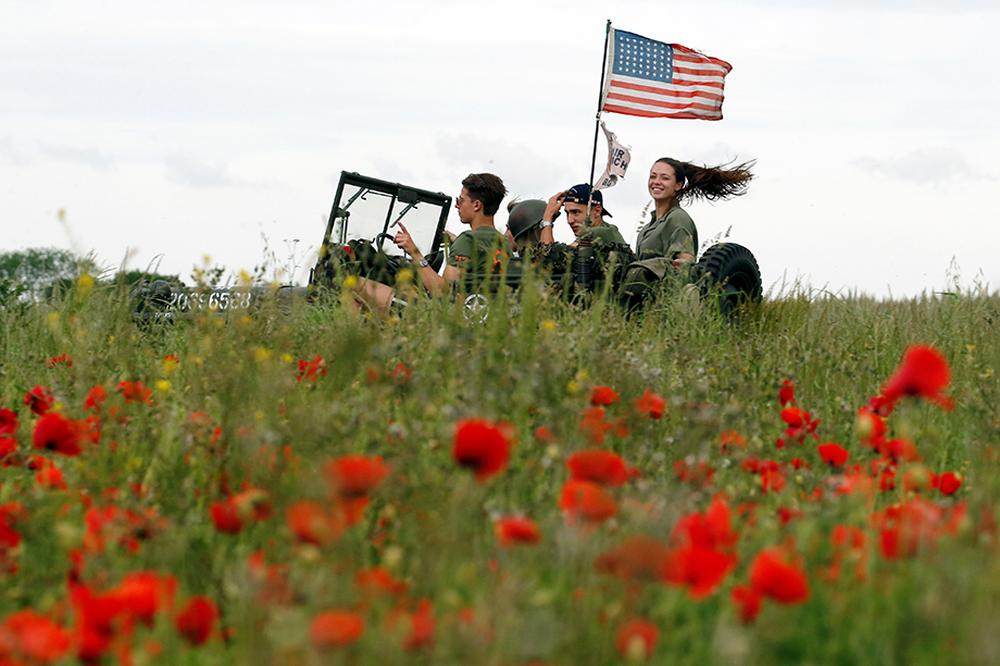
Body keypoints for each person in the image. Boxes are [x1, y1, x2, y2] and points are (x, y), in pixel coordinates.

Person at [352, 173, 509, 309]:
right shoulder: (504, 243)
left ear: (476, 205)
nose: (457, 206)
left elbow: (443, 293)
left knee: (353, 284)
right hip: (481, 314)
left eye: (461, 201)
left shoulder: (467, 240)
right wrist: (456, 242)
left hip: (443, 317)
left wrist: (413, 251)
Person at [621, 157, 754, 306]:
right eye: (653, 176)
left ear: (678, 185)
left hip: (662, 299)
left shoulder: (678, 218)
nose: (656, 182)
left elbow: (685, 264)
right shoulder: (647, 227)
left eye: (665, 178)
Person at [540, 184, 627, 246]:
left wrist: (548, 218)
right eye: (567, 213)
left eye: (576, 212)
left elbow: (547, 259)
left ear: (597, 211)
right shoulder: (606, 230)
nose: (569, 221)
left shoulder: (598, 233)